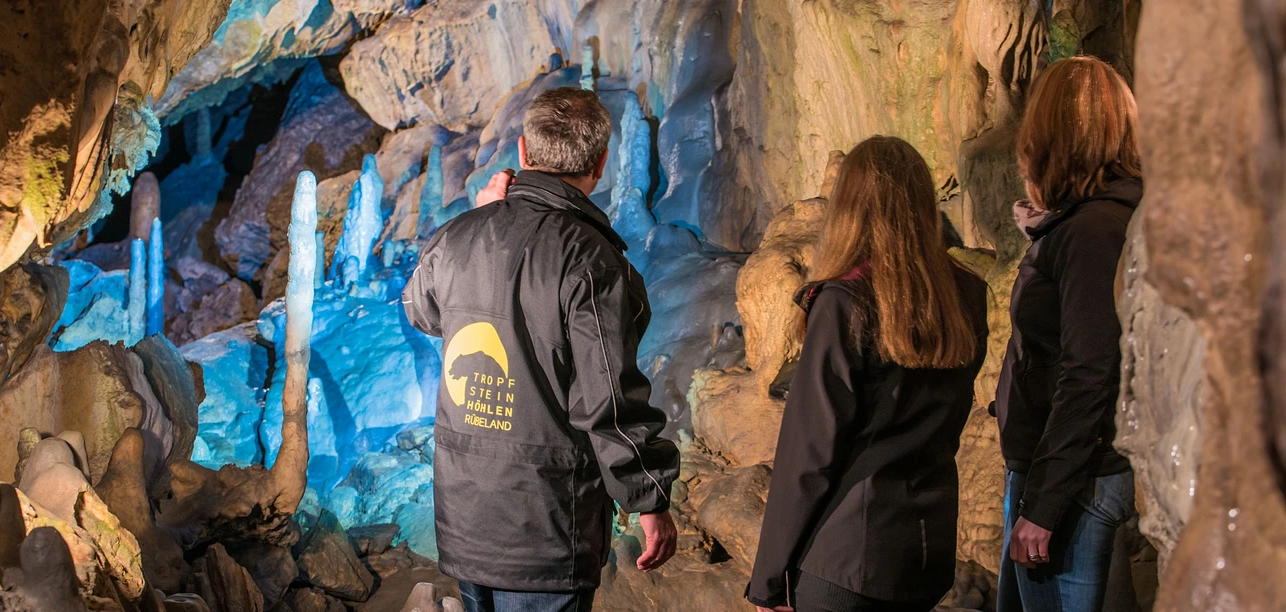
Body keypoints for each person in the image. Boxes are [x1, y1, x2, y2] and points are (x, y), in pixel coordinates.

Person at [402, 87, 680, 612]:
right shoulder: (591, 260)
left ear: (524, 154)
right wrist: (647, 497)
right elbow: (609, 398)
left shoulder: (459, 236)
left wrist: (482, 220)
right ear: (600, 164)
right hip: (546, 530)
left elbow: (422, 311)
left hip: (465, 522)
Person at [746, 136, 989, 612]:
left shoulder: (845, 303)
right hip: (923, 551)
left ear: (849, 210)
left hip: (846, 558)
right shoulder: (966, 294)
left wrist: (768, 578)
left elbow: (808, 453)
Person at [994, 55, 1142, 612]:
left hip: (1072, 485)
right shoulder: (1100, 221)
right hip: (1068, 474)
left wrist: (1044, 505)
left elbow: (1090, 369)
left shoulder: (1092, 234)